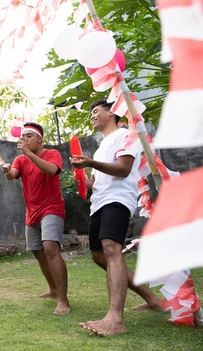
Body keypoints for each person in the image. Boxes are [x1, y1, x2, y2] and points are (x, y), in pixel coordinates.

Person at [71, 100, 161, 336]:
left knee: (112, 248)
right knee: (99, 256)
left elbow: (122, 169)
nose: (92, 116)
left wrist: (91, 163)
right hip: (99, 202)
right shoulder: (101, 147)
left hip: (118, 199)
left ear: (111, 112)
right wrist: (83, 178)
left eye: (95, 111)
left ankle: (115, 319)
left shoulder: (125, 135)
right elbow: (96, 183)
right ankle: (152, 299)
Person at [2, 122, 71, 315]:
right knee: (38, 252)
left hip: (52, 207)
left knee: (50, 247)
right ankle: (53, 290)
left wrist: (29, 154)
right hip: (31, 212)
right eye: (22, 136)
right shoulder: (20, 159)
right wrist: (7, 170)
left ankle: (63, 300)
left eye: (28, 136)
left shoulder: (52, 154)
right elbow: (12, 175)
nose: (23, 139)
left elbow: (51, 170)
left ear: (40, 139)